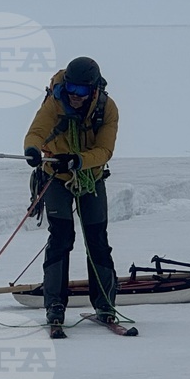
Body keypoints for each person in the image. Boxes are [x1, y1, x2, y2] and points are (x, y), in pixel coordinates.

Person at [24, 56, 120, 328]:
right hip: (57, 177)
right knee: (61, 237)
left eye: (81, 91)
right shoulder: (54, 102)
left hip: (91, 176)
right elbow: (36, 132)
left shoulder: (107, 109)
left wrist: (78, 160)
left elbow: (104, 150)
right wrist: (32, 150)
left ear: (94, 90)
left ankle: (104, 303)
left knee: (96, 239)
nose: (75, 96)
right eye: (71, 89)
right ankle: (54, 304)